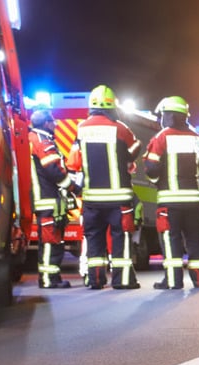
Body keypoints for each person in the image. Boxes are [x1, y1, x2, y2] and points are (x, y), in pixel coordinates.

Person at [66, 85, 142, 289]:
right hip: (119, 200)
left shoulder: (81, 129)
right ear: (112, 106)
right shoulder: (120, 128)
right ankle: (123, 280)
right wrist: (125, 159)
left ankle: (96, 279)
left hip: (92, 200)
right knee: (120, 239)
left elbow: (73, 162)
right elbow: (136, 147)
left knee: (94, 241)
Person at [143, 96, 199, 289]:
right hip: (194, 202)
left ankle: (173, 281)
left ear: (169, 115)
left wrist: (158, 181)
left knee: (171, 239)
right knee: (195, 240)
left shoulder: (161, 137)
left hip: (170, 201)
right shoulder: (197, 138)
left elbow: (150, 167)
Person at [28, 107, 74, 288]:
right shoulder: (43, 141)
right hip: (48, 199)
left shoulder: (33, 139)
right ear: (46, 123)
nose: (55, 125)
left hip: (44, 200)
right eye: (53, 122)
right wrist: (74, 187)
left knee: (50, 240)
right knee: (50, 241)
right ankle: (49, 279)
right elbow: (54, 170)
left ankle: (51, 278)